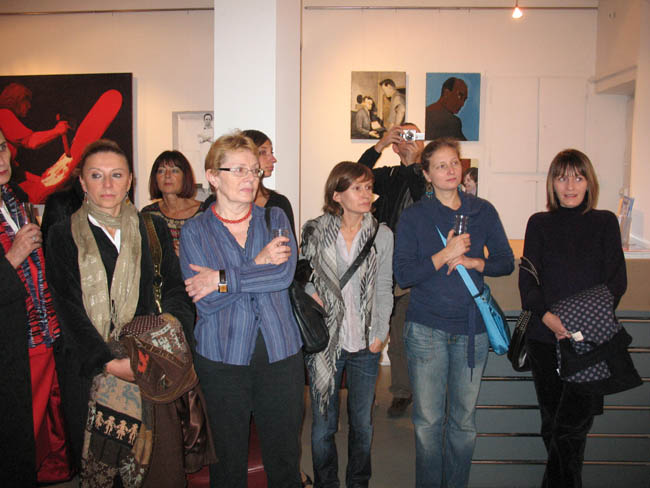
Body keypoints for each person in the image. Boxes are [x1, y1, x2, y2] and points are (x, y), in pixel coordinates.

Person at [46, 139, 199, 486]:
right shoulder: (62, 235)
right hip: (90, 371)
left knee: (155, 466)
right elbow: (67, 308)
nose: (107, 184)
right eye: (96, 175)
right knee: (104, 468)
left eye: (116, 175)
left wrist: (169, 336)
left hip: (147, 362)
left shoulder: (152, 228)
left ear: (130, 180)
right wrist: (108, 362)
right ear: (82, 182)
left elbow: (174, 290)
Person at [180, 131, 304, 488]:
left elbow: (282, 276)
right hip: (222, 360)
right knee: (227, 461)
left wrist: (220, 278)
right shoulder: (194, 231)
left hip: (280, 356)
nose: (250, 178)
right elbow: (206, 298)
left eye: (254, 170)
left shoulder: (275, 218)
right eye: (238, 170)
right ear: (213, 177)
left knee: (284, 459)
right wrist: (258, 262)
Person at [394, 138, 514, 488]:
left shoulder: (482, 211)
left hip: (471, 331)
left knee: (463, 423)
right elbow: (404, 275)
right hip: (426, 330)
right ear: (427, 174)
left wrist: (476, 262)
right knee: (428, 423)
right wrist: (445, 254)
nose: (450, 170)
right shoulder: (414, 216)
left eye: (454, 163)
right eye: (440, 165)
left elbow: (505, 261)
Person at [518, 149, 626, 488]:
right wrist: (549, 318)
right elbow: (528, 282)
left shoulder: (605, 222)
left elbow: (616, 282)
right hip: (544, 339)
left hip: (589, 342)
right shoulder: (539, 223)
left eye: (578, 178)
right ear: (552, 183)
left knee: (571, 427)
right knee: (552, 425)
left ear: (589, 182)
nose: (570, 186)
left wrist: (579, 319)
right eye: (562, 178)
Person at [301, 161, 393, 488]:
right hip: (326, 341)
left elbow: (384, 286)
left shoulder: (382, 235)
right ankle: (326, 483)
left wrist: (381, 332)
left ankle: (358, 483)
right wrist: (313, 293)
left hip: (365, 342)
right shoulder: (314, 230)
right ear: (337, 194)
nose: (366, 194)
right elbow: (303, 276)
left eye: (369, 187)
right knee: (323, 426)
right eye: (357, 188)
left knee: (362, 424)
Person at [0, 129, 71, 486]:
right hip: (11, 338)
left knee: (38, 424)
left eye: (1, 148)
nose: (0, 159)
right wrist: (13, 257)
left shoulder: (13, 196)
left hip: (39, 331)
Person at [357, 123, 426, 418]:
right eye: (403, 137)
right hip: (383, 267)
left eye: (414, 136)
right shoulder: (390, 175)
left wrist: (413, 163)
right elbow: (356, 173)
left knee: (406, 337)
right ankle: (392, 393)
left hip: (416, 272)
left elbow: (422, 197)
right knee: (377, 334)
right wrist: (381, 144)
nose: (408, 141)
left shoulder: (429, 175)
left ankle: (409, 392)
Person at [203, 129, 296, 236]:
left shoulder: (277, 210)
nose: (273, 159)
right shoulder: (209, 210)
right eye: (263, 152)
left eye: (271, 152)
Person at [0, 82, 70, 182]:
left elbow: (17, 171)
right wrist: (57, 131)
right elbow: (31, 141)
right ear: (18, 100)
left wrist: (41, 181)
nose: (29, 106)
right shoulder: (4, 115)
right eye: (26, 101)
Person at [141, 149, 205, 255]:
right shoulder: (148, 215)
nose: (167, 175)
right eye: (161, 171)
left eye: (174, 170)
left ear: (185, 177)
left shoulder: (205, 213)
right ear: (155, 178)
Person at [425, 77, 468, 141]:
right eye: (460, 96)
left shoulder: (426, 112)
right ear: (446, 93)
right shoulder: (452, 122)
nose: (462, 104)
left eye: (464, 99)